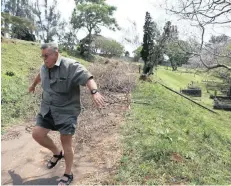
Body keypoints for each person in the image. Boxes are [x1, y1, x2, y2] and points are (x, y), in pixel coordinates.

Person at [29, 43, 105, 186]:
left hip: (66, 111)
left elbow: (87, 78)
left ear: (56, 54)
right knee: (37, 134)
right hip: (48, 108)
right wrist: (33, 85)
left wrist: (94, 92)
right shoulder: (45, 67)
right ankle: (57, 153)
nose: (44, 59)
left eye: (46, 56)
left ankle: (68, 173)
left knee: (66, 142)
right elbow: (40, 75)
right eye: (42, 56)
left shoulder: (70, 66)